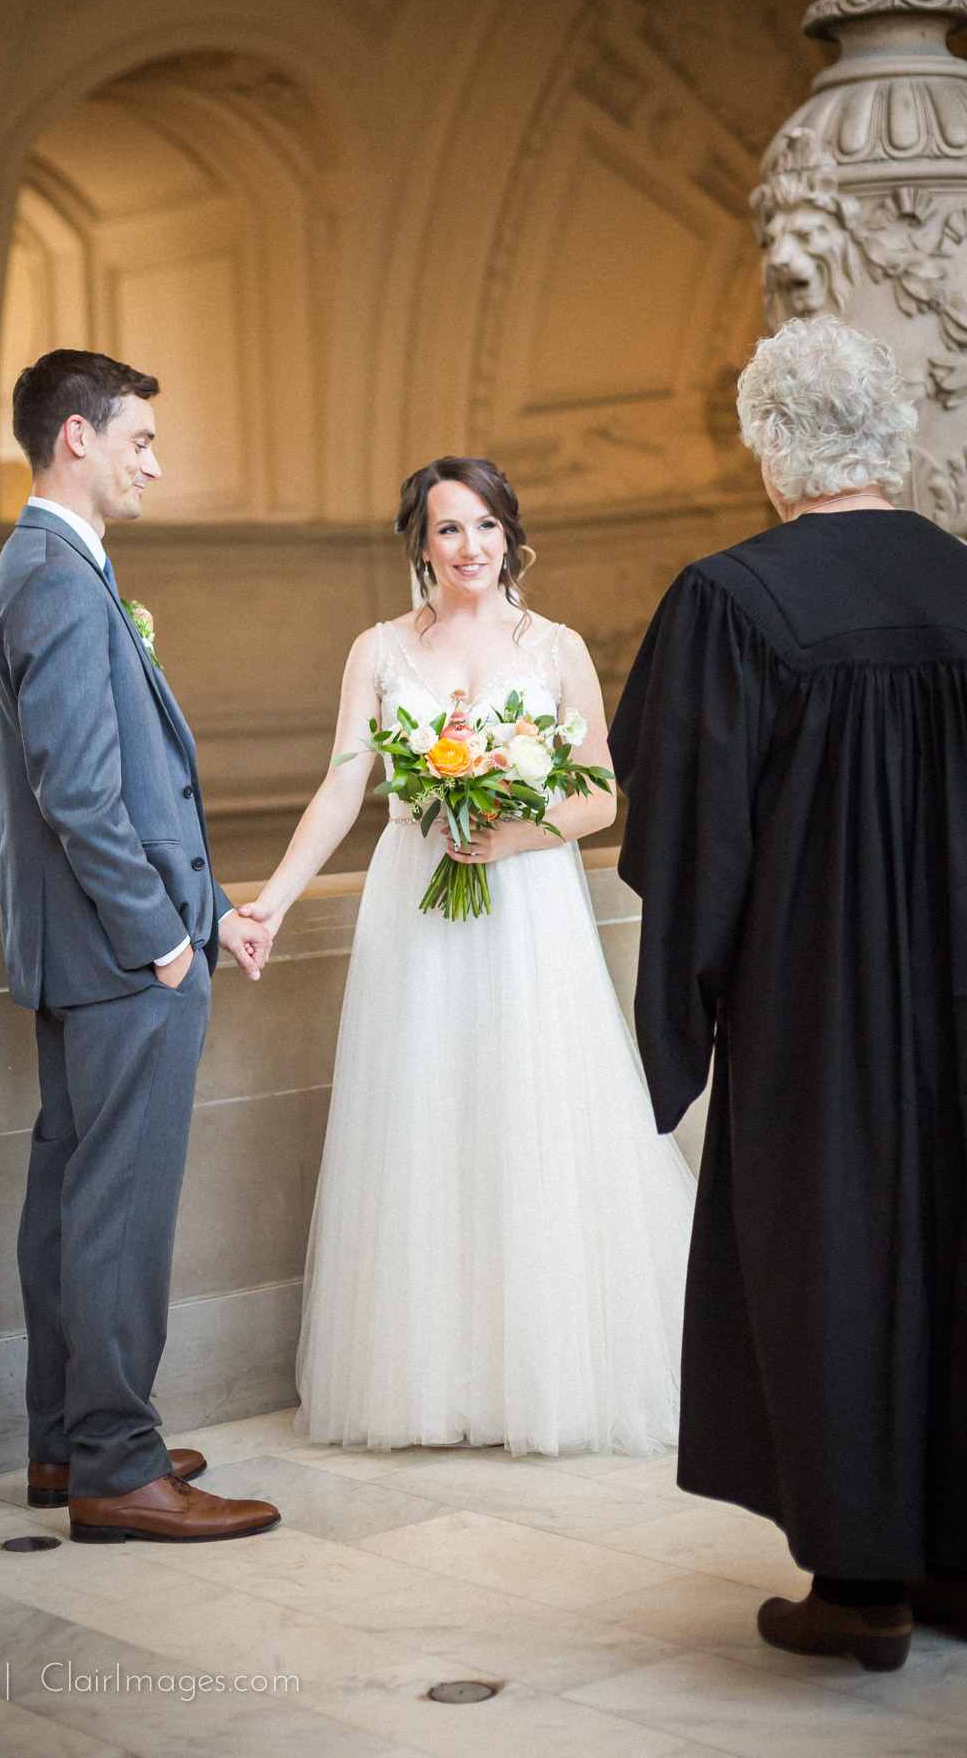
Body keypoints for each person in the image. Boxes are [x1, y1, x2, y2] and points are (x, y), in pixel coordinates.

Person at [609, 314, 967, 1672]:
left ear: (770, 448)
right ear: (896, 436)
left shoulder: (731, 600)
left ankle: (865, 1585)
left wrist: (681, 1021)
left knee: (845, 1264)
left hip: (824, 1024)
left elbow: (691, 839)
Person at [243, 457, 696, 1455]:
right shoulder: (378, 651)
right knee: (426, 1122)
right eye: (448, 530)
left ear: (511, 536)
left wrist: (510, 831)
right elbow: (341, 789)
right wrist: (268, 902)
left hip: (529, 909)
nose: (470, 548)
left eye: (486, 526)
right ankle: (435, 1380)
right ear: (419, 545)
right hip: (417, 907)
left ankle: (545, 1376)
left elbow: (598, 796)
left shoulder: (557, 647)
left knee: (529, 1115)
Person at [0, 348, 280, 1544]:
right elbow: (82, 796)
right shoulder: (55, 576)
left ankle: (68, 1443)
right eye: (139, 440)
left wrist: (202, 915)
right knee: (118, 1207)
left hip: (95, 953)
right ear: (76, 440)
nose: (155, 461)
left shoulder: (49, 567)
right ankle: (118, 1465)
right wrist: (164, 938)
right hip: (119, 959)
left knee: (71, 1196)